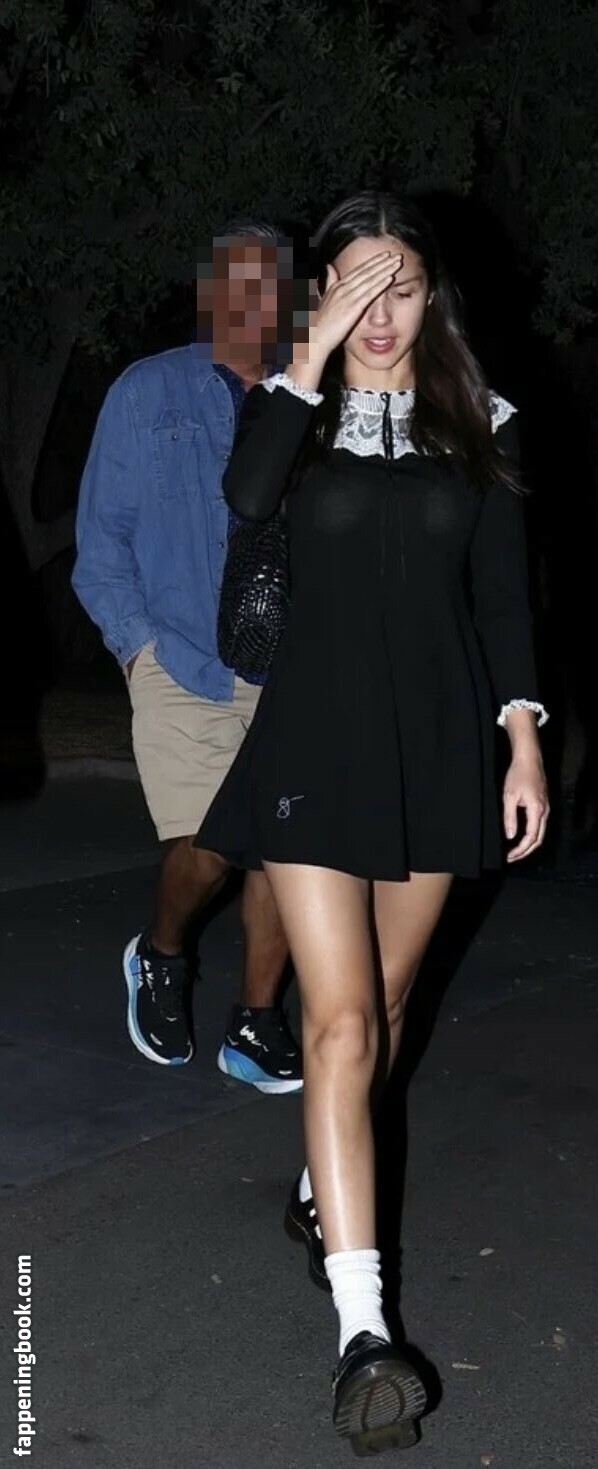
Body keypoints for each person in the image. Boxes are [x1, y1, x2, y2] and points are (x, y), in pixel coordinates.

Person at [194, 191, 549, 1453]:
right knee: (338, 1020)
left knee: (387, 1008)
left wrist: (521, 741)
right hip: (313, 748)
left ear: (431, 294)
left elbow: (501, 598)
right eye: (353, 285)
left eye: (399, 284)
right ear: (322, 299)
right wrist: (305, 357)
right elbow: (244, 499)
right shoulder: (290, 416)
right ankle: (363, 1330)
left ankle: (318, 1179)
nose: (379, 311)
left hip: (440, 750)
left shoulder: (480, 423)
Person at [72, 221, 302, 1095]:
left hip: (289, 669)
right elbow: (101, 545)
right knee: (211, 845)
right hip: (182, 659)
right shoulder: (148, 391)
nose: (254, 298)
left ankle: (255, 1019)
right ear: (210, 292)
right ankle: (161, 954)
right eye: (237, 281)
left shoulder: (305, 399)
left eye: (270, 283)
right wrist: (139, 651)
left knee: (287, 848)